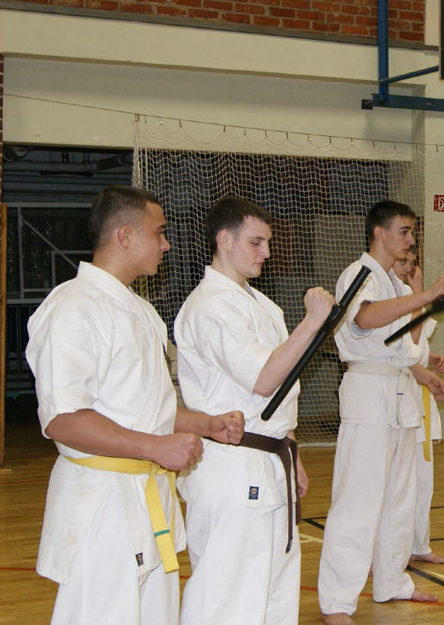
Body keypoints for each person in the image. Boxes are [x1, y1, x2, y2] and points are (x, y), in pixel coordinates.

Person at [26, 185, 245, 625]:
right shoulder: (73, 307)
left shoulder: (142, 311)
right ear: (124, 235)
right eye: (159, 232)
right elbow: (63, 419)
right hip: (100, 504)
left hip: (149, 496)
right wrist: (155, 448)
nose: (166, 245)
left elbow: (149, 409)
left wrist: (206, 424)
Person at [173, 198, 335, 625]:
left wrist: (292, 451)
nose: (266, 252)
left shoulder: (262, 304)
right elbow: (263, 379)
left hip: (270, 458)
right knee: (227, 599)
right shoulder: (210, 305)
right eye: (256, 242)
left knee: (275, 593)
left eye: (267, 242)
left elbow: (277, 396)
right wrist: (311, 323)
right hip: (232, 465)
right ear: (224, 240)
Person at [317, 201, 444, 625]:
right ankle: (337, 601)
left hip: (399, 392)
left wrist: (420, 304)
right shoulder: (358, 274)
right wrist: (425, 294)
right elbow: (364, 319)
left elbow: (404, 342)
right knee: (358, 500)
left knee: (400, 497)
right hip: (368, 390)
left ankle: (393, 581)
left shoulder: (394, 282)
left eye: (413, 232)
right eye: (404, 231)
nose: (411, 239)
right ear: (379, 232)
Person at [393, 247, 444, 565]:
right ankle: (389, 550)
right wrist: (419, 293)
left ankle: (419, 543)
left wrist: (432, 359)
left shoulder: (413, 298)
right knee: (398, 482)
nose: (409, 269)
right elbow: (407, 346)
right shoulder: (390, 300)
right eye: (403, 262)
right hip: (399, 394)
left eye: (413, 264)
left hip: (420, 395)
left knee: (423, 478)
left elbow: (418, 347)